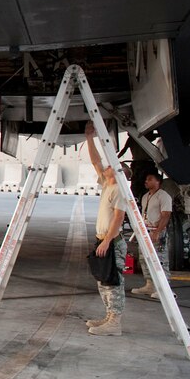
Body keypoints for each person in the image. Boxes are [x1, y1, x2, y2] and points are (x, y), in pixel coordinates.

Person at [84, 122, 127, 336]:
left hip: (112, 241)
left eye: (112, 166)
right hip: (104, 240)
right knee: (104, 281)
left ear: (119, 173)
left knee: (113, 281)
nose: (107, 166)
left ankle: (115, 323)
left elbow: (119, 217)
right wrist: (89, 138)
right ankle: (109, 316)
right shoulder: (107, 184)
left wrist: (108, 241)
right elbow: (95, 161)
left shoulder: (118, 189)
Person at [132, 171, 173, 298]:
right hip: (146, 231)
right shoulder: (145, 196)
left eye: (149, 179)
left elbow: (166, 215)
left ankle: (165, 289)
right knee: (144, 258)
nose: (146, 181)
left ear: (158, 181)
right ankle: (150, 285)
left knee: (160, 259)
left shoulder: (164, 196)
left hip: (156, 230)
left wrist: (158, 231)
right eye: (146, 179)